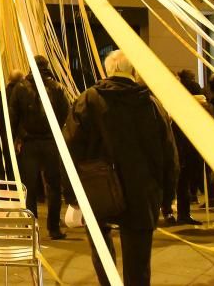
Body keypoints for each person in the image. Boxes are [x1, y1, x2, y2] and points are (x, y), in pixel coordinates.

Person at [64, 50, 177, 286]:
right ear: (134, 72)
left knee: (101, 248)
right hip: (143, 191)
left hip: (98, 188)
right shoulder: (152, 104)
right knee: (138, 264)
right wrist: (167, 197)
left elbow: (70, 147)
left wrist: (72, 194)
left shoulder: (88, 100)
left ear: (108, 70)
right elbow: (169, 153)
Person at [9, 55, 71, 240]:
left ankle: (29, 226)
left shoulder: (20, 88)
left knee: (29, 186)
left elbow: (13, 116)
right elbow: (65, 114)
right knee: (53, 185)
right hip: (51, 142)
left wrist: (16, 138)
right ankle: (53, 228)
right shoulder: (58, 87)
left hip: (29, 142)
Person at [168, 70, 208, 225]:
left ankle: (184, 213)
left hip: (185, 144)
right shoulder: (161, 98)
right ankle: (168, 211)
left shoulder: (186, 97)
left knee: (184, 180)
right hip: (171, 143)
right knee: (172, 181)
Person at [0, 71, 24, 179]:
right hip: (20, 140)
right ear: (22, 80)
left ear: (9, 80)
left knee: (1, 171)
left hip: (0, 138)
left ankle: (2, 192)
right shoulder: (25, 96)